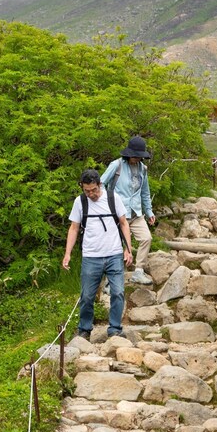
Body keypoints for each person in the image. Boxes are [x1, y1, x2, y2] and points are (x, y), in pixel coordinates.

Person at [62, 169, 133, 340]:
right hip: (91, 256)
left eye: (94, 190)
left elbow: (123, 223)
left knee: (118, 292)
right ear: (82, 187)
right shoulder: (80, 202)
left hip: (114, 253)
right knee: (86, 295)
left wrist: (128, 249)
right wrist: (67, 254)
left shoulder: (112, 198)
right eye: (87, 191)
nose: (91, 194)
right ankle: (84, 329)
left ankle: (115, 328)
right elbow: (74, 228)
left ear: (99, 184)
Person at [101, 135, 156, 285]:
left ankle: (138, 271)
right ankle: (109, 281)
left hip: (136, 212)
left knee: (146, 238)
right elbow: (101, 184)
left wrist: (149, 211)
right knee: (116, 245)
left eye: (139, 156)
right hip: (118, 213)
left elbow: (145, 192)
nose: (136, 159)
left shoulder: (143, 169)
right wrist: (106, 203)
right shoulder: (116, 165)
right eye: (134, 156)